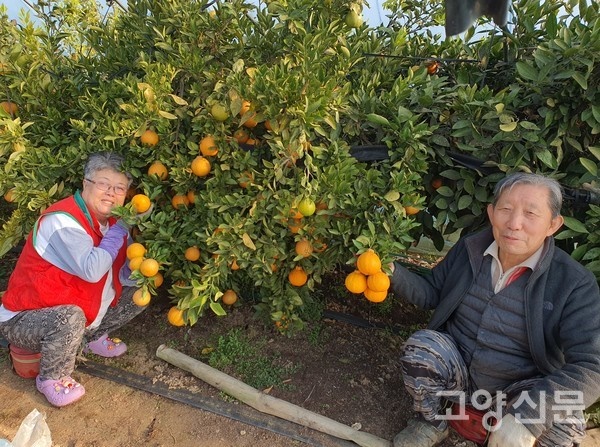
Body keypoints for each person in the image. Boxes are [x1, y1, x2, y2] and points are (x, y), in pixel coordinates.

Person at [390, 172, 600, 447]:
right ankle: (432, 421)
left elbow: (591, 366)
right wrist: (390, 271)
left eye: (530, 213)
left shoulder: (573, 283)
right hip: (460, 376)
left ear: (553, 224)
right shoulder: (470, 250)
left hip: (520, 392)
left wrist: (530, 417)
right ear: (491, 213)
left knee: (566, 420)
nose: (514, 224)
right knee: (423, 348)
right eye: (506, 210)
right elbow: (432, 293)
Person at [0, 152, 148, 407]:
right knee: (69, 317)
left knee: (139, 294)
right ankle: (52, 378)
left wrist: (143, 271)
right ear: (86, 183)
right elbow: (92, 269)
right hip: (24, 318)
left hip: (70, 308)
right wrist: (122, 228)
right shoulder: (63, 221)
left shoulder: (111, 224)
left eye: (119, 188)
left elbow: (122, 271)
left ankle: (90, 339)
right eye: (103, 184)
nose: (111, 193)